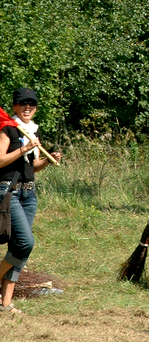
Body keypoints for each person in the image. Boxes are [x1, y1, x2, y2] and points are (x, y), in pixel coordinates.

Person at [0, 87, 62, 314]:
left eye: (32, 104)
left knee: (20, 249)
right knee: (25, 242)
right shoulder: (8, 128)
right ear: (15, 106)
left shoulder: (33, 131)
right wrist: (24, 148)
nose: (28, 107)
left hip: (29, 193)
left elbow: (31, 167)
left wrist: (48, 160)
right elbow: (0, 160)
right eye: (23, 103)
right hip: (11, 192)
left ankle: (5, 304)